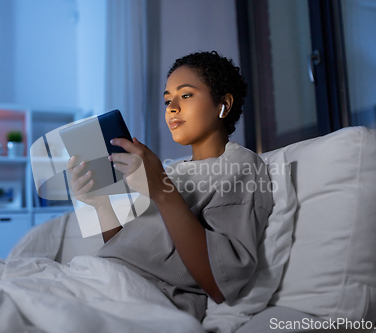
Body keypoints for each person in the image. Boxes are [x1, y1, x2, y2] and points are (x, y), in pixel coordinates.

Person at [67, 51, 274, 321]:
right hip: (99, 276)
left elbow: (222, 281)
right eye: (167, 100)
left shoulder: (240, 165)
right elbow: (125, 248)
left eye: (185, 95)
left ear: (223, 104)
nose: (171, 108)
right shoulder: (171, 170)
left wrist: (161, 190)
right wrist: (101, 204)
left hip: (140, 298)